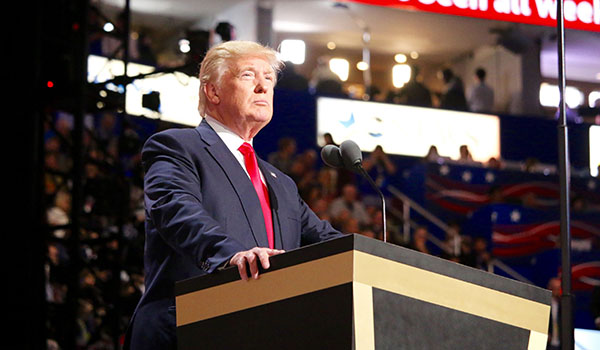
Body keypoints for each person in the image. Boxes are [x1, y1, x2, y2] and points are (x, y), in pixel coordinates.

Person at [125, 41, 343, 350]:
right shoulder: (176, 147)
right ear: (212, 92)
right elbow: (177, 211)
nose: (262, 87)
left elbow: (327, 240)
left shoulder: (280, 182)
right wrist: (230, 255)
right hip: (187, 329)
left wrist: (383, 262)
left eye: (269, 79)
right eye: (248, 76)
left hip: (263, 333)